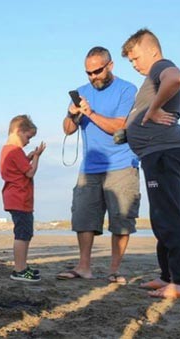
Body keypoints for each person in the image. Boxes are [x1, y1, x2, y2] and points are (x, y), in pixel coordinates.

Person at [57, 47, 140, 283]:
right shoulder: (82, 93)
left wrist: (90, 113)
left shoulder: (127, 90)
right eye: (88, 73)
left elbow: (120, 127)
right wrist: (73, 114)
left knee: (121, 220)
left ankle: (114, 270)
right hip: (90, 167)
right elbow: (67, 130)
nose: (93, 77)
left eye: (97, 71)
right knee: (83, 217)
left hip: (122, 163)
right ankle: (84, 267)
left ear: (110, 66)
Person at [122, 28, 180, 298]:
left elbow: (176, 79)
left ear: (151, 50)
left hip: (164, 150)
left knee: (170, 215)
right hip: (159, 151)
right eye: (130, 61)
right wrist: (172, 111)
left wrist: (153, 110)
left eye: (136, 58)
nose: (135, 64)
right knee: (161, 216)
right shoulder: (156, 76)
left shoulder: (161, 67)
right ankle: (168, 276)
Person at [0, 115, 46, 282]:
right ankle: (19, 269)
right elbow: (30, 172)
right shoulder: (15, 151)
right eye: (28, 137)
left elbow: (18, 168)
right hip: (20, 198)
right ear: (18, 131)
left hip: (14, 197)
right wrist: (36, 157)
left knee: (24, 233)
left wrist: (29, 157)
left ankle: (22, 266)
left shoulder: (7, 150)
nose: (28, 142)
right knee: (23, 234)